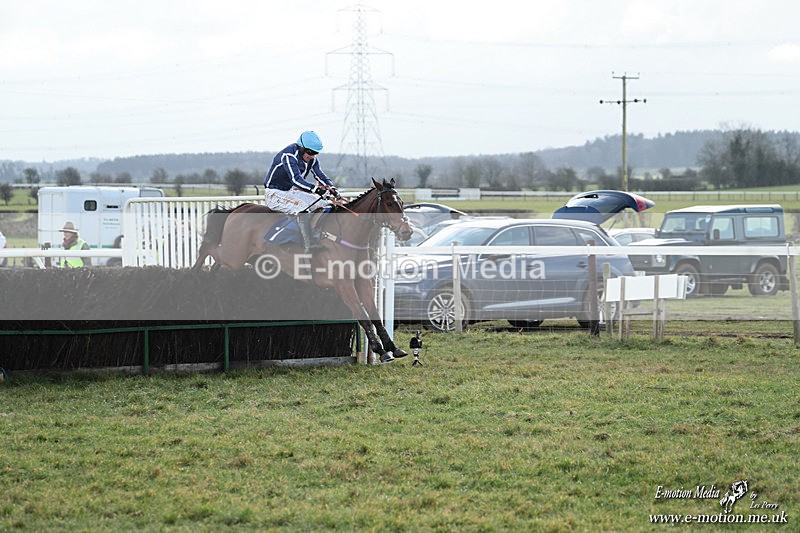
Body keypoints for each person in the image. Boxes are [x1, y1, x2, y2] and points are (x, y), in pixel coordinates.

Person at [263, 130, 342, 253]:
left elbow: (320, 175)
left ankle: (318, 235)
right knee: (304, 208)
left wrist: (332, 188)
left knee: (324, 204)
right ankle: (308, 244)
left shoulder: (312, 159)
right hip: (275, 193)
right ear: (301, 148)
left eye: (315, 153)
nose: (311, 156)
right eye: (310, 152)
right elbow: (296, 179)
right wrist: (316, 189)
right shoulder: (289, 155)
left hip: (291, 191)